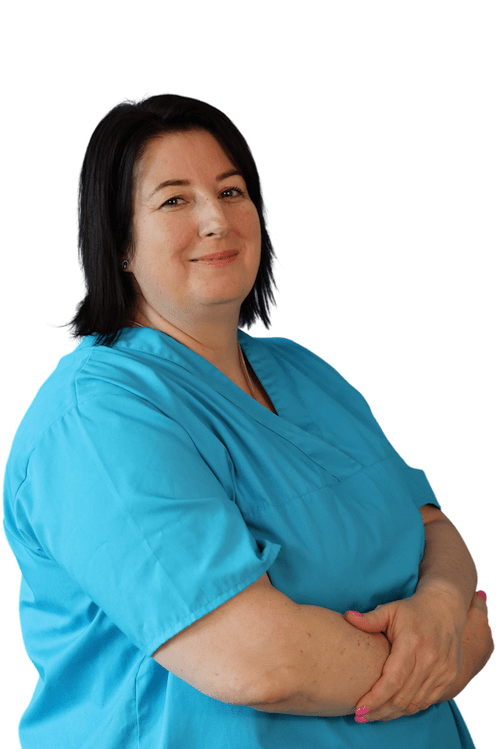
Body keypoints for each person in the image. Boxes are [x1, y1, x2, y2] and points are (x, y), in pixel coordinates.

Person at [2, 93, 493, 748]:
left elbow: (431, 525)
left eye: (231, 191)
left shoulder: (305, 372)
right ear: (119, 241)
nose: (217, 219)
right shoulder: (93, 419)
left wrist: (442, 604)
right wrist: (442, 659)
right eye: (174, 200)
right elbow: (255, 661)